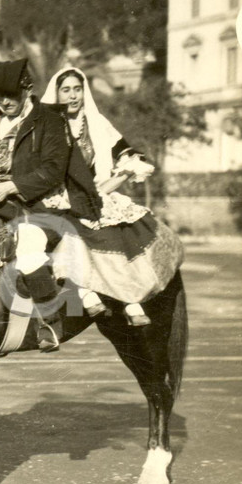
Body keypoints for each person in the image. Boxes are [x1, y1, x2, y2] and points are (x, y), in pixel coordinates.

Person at [0, 59, 103, 352]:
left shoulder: (49, 121)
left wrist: (11, 186)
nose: (5, 102)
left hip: (43, 209)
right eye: (0, 96)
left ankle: (50, 323)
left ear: (27, 90)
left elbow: (53, 168)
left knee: (27, 247)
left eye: (11, 95)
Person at [42, 66, 179, 326]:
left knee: (122, 231)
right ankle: (85, 292)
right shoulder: (46, 126)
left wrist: (122, 172)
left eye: (77, 89)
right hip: (60, 195)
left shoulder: (97, 123)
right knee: (69, 230)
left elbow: (126, 152)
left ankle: (131, 299)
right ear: (56, 94)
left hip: (97, 192)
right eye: (66, 90)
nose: (72, 96)